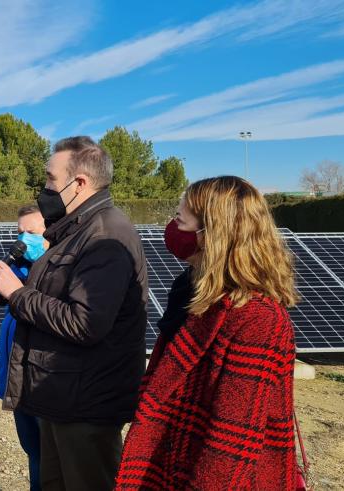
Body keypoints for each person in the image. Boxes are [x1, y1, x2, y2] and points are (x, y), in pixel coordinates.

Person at [0, 136, 148, 491]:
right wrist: (9, 288)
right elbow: (51, 296)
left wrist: (18, 292)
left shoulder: (106, 236)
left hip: (86, 402)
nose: (45, 188)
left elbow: (85, 322)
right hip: (61, 393)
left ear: (80, 183)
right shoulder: (74, 231)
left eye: (51, 179)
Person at [115, 176, 299, 489]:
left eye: (179, 219)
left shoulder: (258, 320)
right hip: (175, 460)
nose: (172, 227)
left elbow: (231, 444)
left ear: (211, 234)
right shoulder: (194, 296)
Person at [0, 205, 48, 491]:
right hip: (16, 375)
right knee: (33, 452)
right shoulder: (20, 266)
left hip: (42, 380)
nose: (24, 239)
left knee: (51, 457)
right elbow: (9, 301)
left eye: (32, 232)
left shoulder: (59, 273)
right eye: (19, 232)